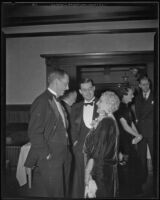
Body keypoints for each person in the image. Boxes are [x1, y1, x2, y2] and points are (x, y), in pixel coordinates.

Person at [24, 69, 71, 197]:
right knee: (56, 194)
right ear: (56, 82)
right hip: (52, 158)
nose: (67, 87)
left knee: (64, 192)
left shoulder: (58, 101)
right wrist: (47, 155)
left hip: (64, 154)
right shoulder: (41, 101)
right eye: (65, 84)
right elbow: (34, 133)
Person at [83, 91, 120, 198]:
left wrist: (87, 171)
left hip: (101, 171)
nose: (97, 103)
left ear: (109, 104)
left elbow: (96, 151)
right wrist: (95, 128)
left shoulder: (106, 123)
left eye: (101, 101)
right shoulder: (109, 121)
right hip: (106, 170)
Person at [70, 78, 99, 198]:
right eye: (84, 90)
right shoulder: (75, 107)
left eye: (90, 89)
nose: (88, 92)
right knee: (80, 179)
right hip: (79, 149)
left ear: (94, 88)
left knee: (96, 178)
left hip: (98, 148)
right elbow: (71, 127)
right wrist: (74, 143)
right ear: (80, 92)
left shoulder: (102, 104)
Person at [114, 86, 143, 195]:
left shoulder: (127, 107)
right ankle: (127, 193)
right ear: (124, 95)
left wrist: (138, 135)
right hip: (124, 142)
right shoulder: (121, 107)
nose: (133, 95)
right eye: (131, 94)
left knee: (133, 166)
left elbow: (131, 123)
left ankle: (132, 191)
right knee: (127, 169)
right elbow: (125, 126)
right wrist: (137, 136)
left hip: (129, 141)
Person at [135, 75, 154, 188]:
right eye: (143, 84)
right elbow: (137, 114)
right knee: (141, 157)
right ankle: (142, 180)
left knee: (155, 156)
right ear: (139, 85)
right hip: (140, 132)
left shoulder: (154, 95)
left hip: (152, 131)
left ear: (150, 84)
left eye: (147, 84)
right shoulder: (137, 97)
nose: (145, 86)